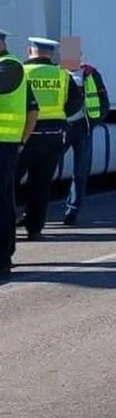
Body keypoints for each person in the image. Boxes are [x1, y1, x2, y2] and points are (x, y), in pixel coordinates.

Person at [18, 38, 82, 241]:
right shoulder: (62, 75)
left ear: (30, 51)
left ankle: (8, 224)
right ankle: (35, 229)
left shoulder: (20, 72)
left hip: (26, 134)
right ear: (52, 54)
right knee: (41, 184)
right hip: (54, 136)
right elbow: (75, 103)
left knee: (9, 182)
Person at [0, 30, 38, 279]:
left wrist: (21, 141)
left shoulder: (10, 66)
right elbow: (33, 109)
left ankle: (3, 258)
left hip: (4, 145)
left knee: (2, 203)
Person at [63, 58, 109, 225]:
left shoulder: (90, 74)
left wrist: (94, 121)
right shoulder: (58, 74)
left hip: (83, 127)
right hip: (62, 127)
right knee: (47, 169)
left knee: (80, 172)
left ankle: (72, 211)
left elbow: (104, 101)